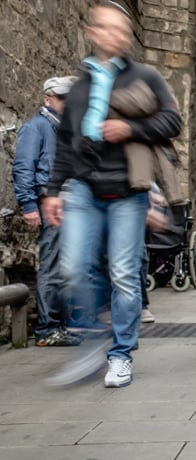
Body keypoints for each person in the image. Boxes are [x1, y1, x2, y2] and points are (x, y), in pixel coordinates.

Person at [42, 1, 183, 387]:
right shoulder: (81, 86)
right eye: (109, 28)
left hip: (127, 191)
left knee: (124, 273)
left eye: (123, 29)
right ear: (92, 34)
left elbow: (173, 120)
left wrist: (129, 130)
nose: (119, 35)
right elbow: (65, 144)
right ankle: (92, 340)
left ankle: (120, 354)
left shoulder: (146, 76)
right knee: (72, 269)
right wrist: (53, 191)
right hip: (84, 189)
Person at [12, 76, 83, 347]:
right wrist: (29, 205)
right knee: (52, 267)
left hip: (68, 205)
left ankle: (60, 324)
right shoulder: (37, 127)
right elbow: (22, 167)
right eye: (63, 98)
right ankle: (47, 329)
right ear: (47, 98)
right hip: (50, 205)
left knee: (66, 268)